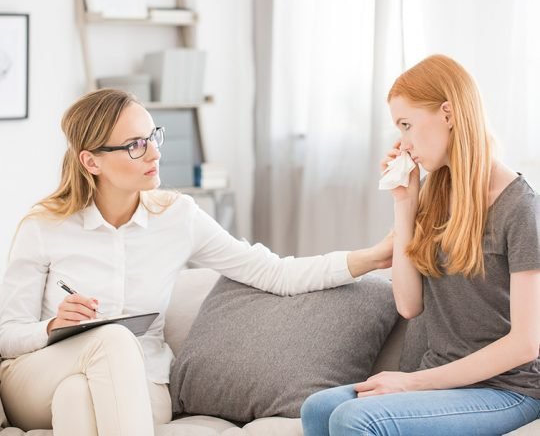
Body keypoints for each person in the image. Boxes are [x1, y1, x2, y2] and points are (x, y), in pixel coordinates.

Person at [0, 88, 392, 436]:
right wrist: (52, 326)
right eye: (135, 145)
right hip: (37, 376)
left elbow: (272, 272)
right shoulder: (45, 226)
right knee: (109, 341)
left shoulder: (178, 217)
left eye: (153, 136)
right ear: (91, 162)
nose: (154, 152)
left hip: (142, 382)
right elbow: (7, 334)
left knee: (76, 399)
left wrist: (370, 258)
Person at [300, 54, 540, 435]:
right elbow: (409, 305)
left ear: (448, 113)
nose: (403, 143)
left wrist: (410, 382)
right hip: (439, 380)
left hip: (507, 388)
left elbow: (526, 344)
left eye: (407, 125)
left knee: (354, 418)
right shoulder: (434, 192)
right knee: (318, 408)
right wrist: (405, 202)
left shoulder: (520, 206)